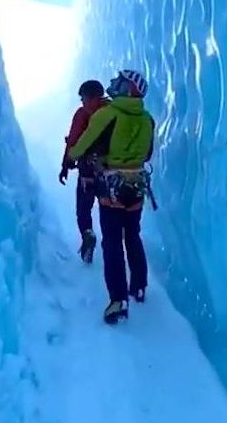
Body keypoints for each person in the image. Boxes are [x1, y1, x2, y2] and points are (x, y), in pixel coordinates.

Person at [66, 69, 155, 324]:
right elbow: (147, 155)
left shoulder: (107, 114)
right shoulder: (147, 119)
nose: (113, 84)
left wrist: (75, 154)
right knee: (133, 235)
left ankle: (118, 300)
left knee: (113, 242)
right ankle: (138, 286)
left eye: (119, 82)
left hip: (112, 188)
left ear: (129, 89)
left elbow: (80, 148)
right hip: (136, 186)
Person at [60, 79, 110, 263]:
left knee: (83, 210)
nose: (83, 102)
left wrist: (65, 165)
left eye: (85, 98)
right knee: (107, 210)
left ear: (95, 98)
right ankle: (110, 243)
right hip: (108, 173)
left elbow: (73, 140)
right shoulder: (112, 113)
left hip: (87, 172)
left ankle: (88, 234)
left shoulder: (82, 115)